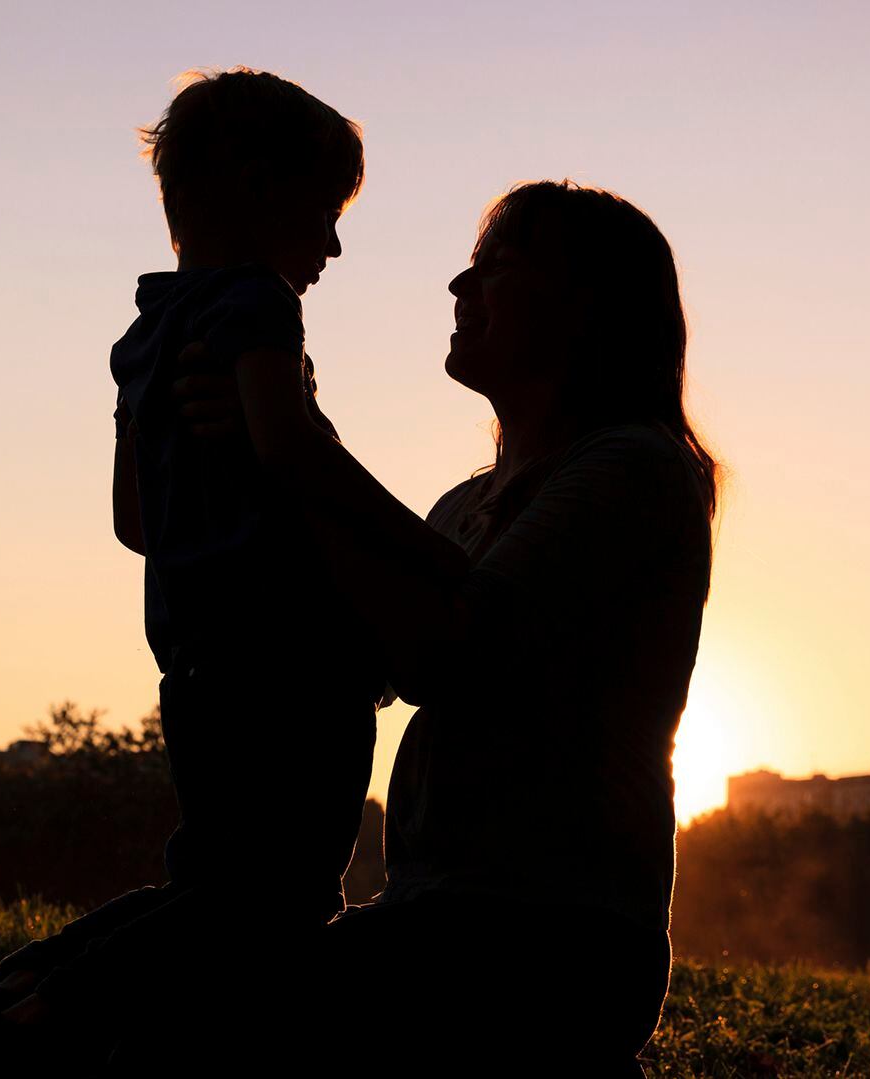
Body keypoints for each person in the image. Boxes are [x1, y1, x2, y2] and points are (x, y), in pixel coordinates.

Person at [122, 180, 718, 1076]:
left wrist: (297, 450)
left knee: (188, 1023)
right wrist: (239, 460)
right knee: (110, 979)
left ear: (585, 306)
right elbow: (356, 657)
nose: (458, 288)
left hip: (555, 939)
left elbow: (446, 650)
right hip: (431, 915)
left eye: (497, 269)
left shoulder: (634, 470)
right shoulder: (462, 506)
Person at [0, 68, 386, 1076]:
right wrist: (307, 437)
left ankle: (32, 991)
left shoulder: (145, 333)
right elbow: (289, 449)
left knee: (218, 882)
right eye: (324, 213)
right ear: (261, 191)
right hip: (290, 662)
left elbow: (133, 520)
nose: (333, 246)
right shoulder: (260, 305)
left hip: (195, 662)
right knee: (277, 896)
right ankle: (48, 1011)